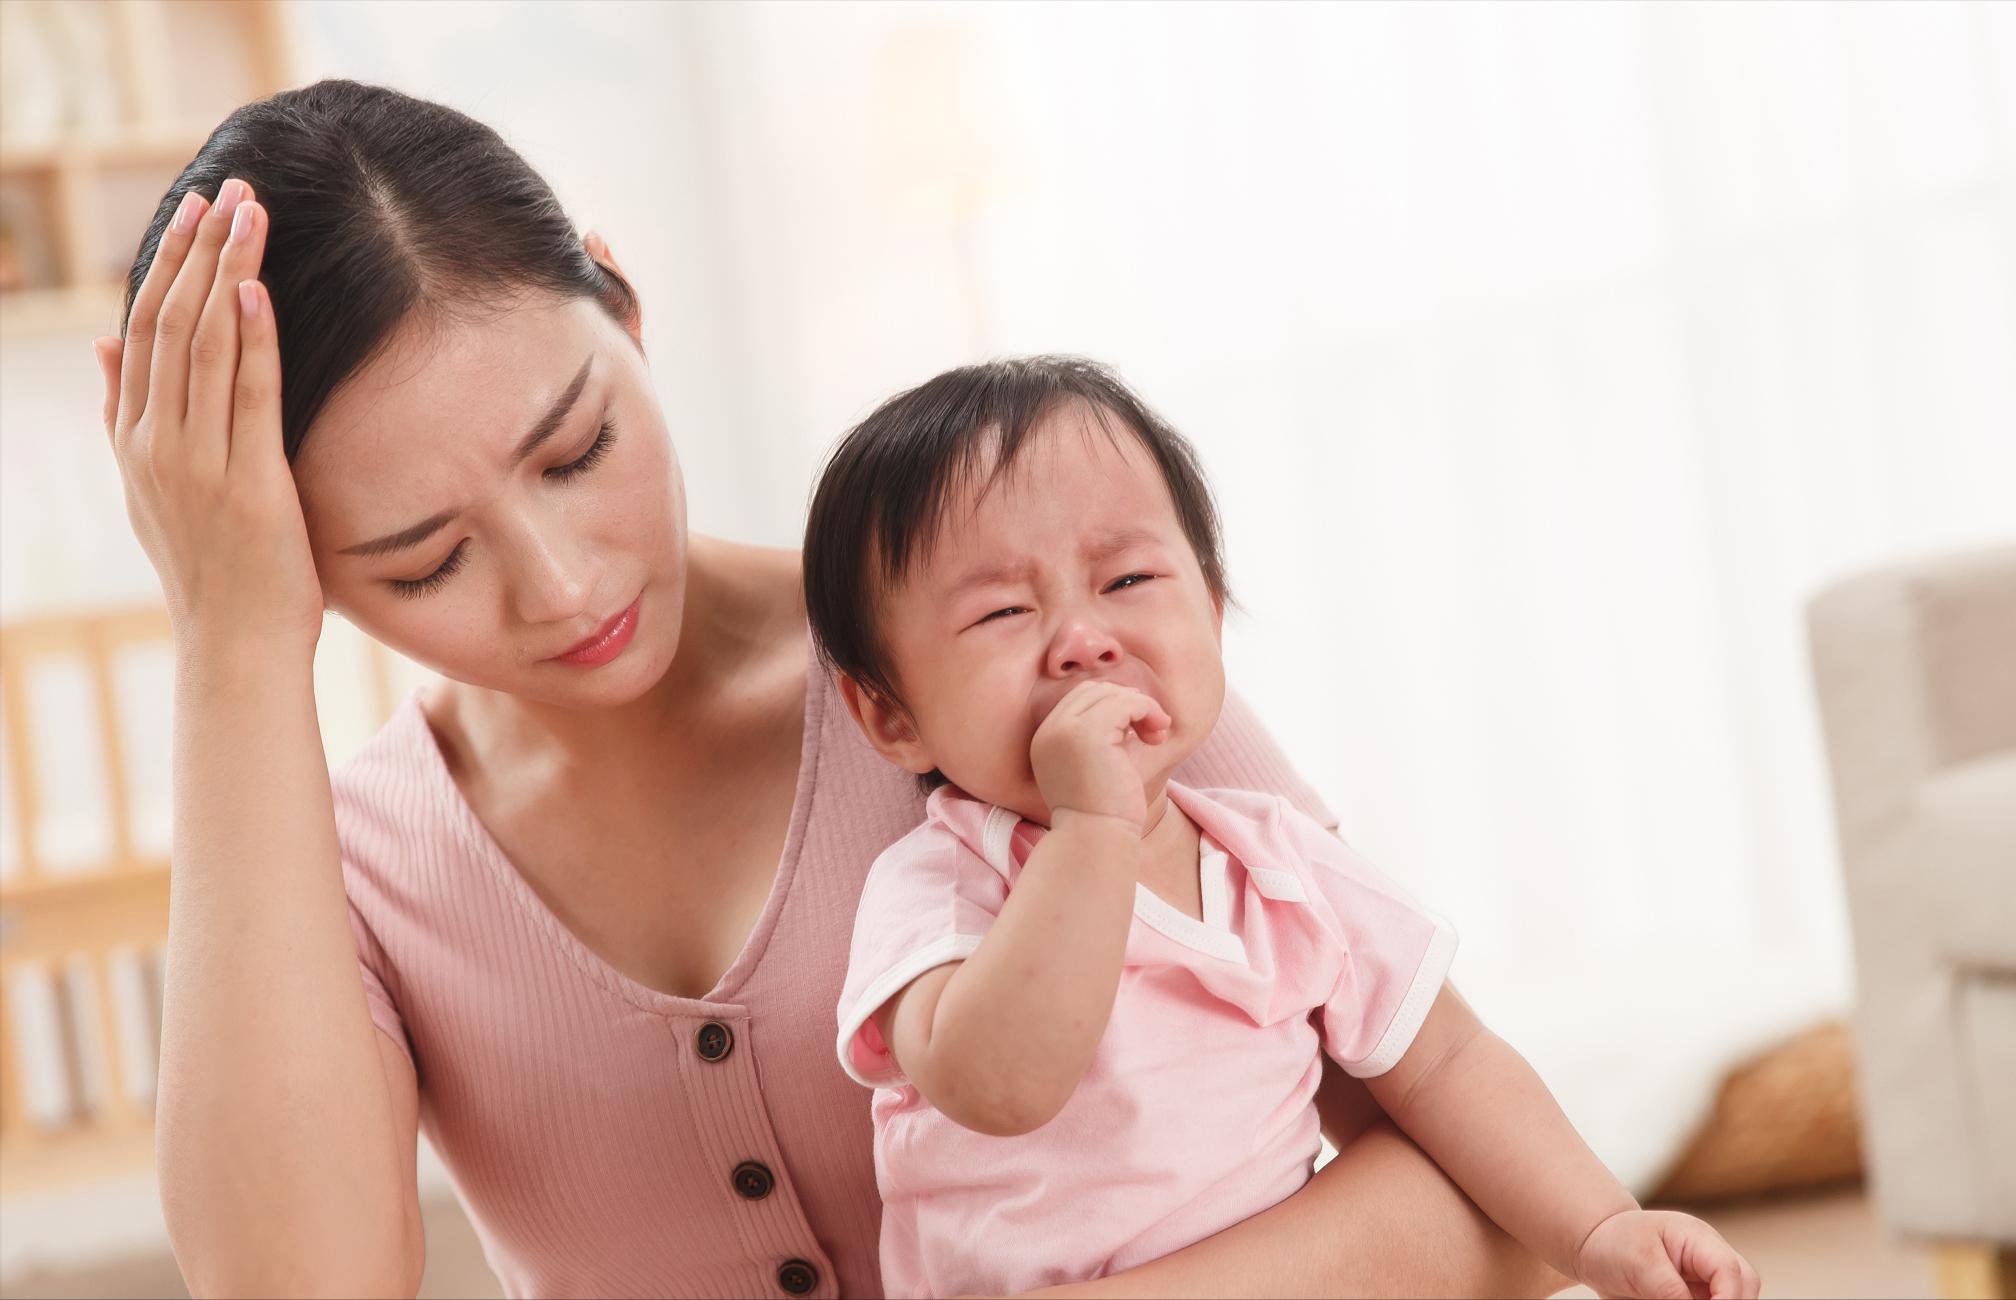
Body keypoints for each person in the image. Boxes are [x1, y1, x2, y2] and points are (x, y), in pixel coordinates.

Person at [93, 78, 1566, 1298]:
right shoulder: (343, 868)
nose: (564, 588)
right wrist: (232, 652)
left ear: (623, 306)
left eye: (578, 453)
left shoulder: (1009, 671)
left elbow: (1478, 1193)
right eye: (422, 562)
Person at [802, 357, 1765, 1300]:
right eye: (1005, 610)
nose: (1084, 640)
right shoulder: (943, 881)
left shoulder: (1281, 866)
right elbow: (1000, 1085)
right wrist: (1097, 827)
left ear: (1212, 617)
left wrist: (1604, 1229)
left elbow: (1447, 1064)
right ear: (891, 715)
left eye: (1129, 580)